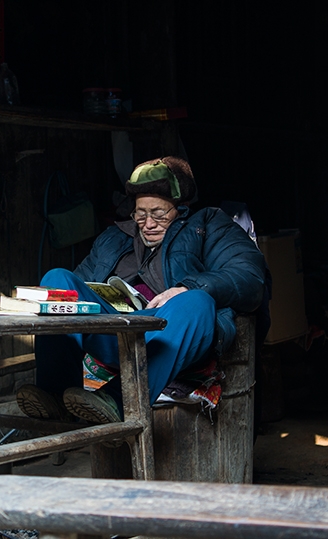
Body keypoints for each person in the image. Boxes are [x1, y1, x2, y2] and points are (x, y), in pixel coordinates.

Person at [16, 156, 267, 425]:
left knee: (196, 301)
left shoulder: (208, 225)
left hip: (169, 334)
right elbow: (78, 288)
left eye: (159, 214)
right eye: (140, 214)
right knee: (57, 280)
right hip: (116, 330)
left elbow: (250, 277)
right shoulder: (114, 238)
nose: (147, 224)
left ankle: (119, 400)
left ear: (181, 207)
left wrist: (187, 287)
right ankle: (56, 396)